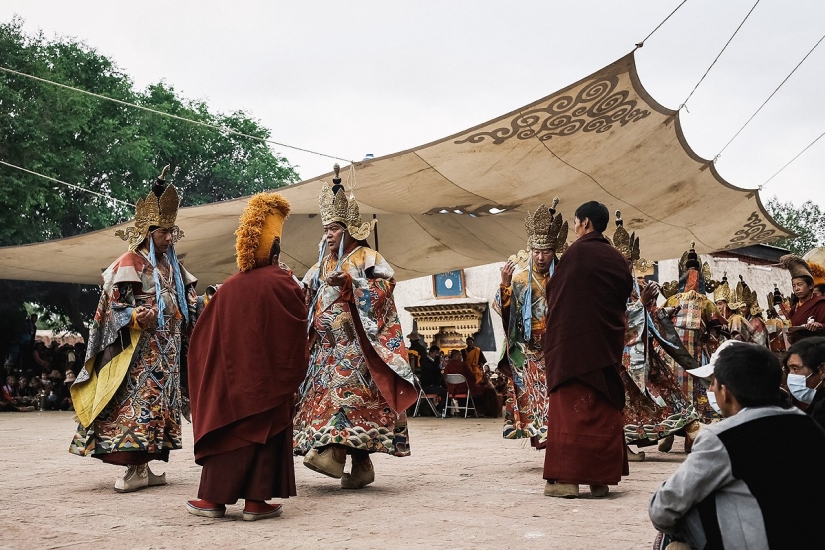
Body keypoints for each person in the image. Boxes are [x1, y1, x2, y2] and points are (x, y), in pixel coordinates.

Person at [68, 166, 198, 492]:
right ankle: (133, 468)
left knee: (157, 406)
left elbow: (188, 300)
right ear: (147, 231)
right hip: (136, 354)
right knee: (137, 404)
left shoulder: (172, 264)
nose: (169, 237)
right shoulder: (130, 261)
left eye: (172, 231)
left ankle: (145, 465)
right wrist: (137, 316)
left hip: (166, 356)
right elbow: (113, 306)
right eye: (162, 232)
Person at [186, 193, 308, 521]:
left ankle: (212, 500)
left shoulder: (228, 287)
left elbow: (205, 335)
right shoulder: (283, 282)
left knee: (232, 428)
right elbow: (298, 324)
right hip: (272, 378)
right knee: (268, 431)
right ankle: (256, 502)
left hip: (232, 379)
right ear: (276, 250)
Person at [294, 170, 416, 490]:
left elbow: (385, 286)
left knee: (346, 398)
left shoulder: (367, 256)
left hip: (357, 347)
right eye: (326, 229)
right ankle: (361, 465)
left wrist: (351, 283)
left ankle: (333, 453)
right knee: (332, 398)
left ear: (348, 229)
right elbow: (305, 295)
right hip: (325, 349)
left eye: (334, 228)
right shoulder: (320, 265)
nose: (328, 235)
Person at [649, 342, 825, 549]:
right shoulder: (809, 426)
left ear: (725, 391)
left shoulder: (722, 438)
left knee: (680, 531)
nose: (712, 388)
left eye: (713, 383)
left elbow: (663, 509)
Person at [542, 201, 632, 498]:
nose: (577, 228)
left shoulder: (577, 253)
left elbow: (557, 294)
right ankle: (599, 480)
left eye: (578, 222)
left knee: (570, 412)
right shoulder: (618, 260)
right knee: (602, 410)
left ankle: (567, 480)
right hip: (605, 348)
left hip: (573, 349)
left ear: (586, 223)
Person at [611, 213, 700, 461]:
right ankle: (625, 446)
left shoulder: (637, 284)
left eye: (629, 262)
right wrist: (641, 304)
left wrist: (660, 311)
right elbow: (613, 318)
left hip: (645, 353)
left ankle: (689, 427)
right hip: (622, 357)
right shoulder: (608, 285)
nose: (626, 266)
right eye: (621, 261)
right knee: (627, 402)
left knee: (666, 389)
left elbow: (650, 315)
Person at [494, 199, 566, 448]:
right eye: (536, 251)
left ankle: (553, 436)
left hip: (557, 348)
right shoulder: (521, 279)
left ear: (553, 252)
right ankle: (545, 435)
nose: (540, 256)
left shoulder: (562, 277)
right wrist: (504, 286)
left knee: (554, 394)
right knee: (536, 394)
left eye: (546, 251)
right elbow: (507, 314)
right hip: (530, 349)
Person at [658, 243, 719, 446]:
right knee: (693, 395)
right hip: (695, 359)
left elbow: (659, 321)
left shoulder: (671, 300)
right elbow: (716, 326)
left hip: (672, 356)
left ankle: (668, 433)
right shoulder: (706, 302)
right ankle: (689, 441)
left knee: (673, 391)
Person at [777, 255, 825, 343]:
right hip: (799, 350)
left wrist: (820, 325)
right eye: (794, 286)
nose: (796, 289)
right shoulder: (794, 309)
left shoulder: (821, 304)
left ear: (810, 286)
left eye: (800, 284)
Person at [784, 336, 825, 430]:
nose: (791, 375)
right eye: (789, 370)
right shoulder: (817, 402)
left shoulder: (822, 411)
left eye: (795, 368)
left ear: (822, 370)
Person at [443, 349, 499, 417]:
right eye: (460, 355)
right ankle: (486, 412)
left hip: (452, 390)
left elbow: (445, 378)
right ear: (456, 356)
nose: (461, 357)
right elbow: (472, 377)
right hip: (466, 388)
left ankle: (468, 411)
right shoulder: (463, 364)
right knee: (487, 390)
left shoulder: (448, 366)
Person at [418, 345, 448, 417]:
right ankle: (439, 410)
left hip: (434, 385)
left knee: (447, 389)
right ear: (430, 353)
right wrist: (437, 360)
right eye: (435, 353)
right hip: (428, 386)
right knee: (444, 392)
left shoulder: (434, 362)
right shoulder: (426, 362)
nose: (437, 355)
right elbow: (435, 370)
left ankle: (445, 410)